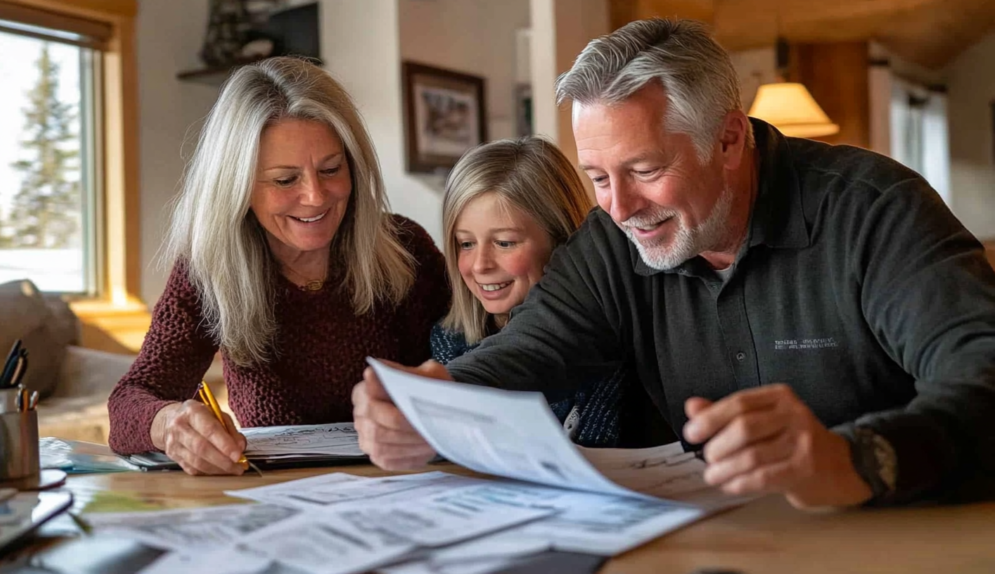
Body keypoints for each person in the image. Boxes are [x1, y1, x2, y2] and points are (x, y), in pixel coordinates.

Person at [352, 19, 995, 508]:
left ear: (730, 139)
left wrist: (856, 458)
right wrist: (437, 401)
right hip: (716, 540)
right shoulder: (612, 241)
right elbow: (534, 351)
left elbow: (982, 371)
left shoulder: (874, 211)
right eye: (598, 176)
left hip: (898, 532)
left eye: (646, 170)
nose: (621, 207)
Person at [108, 57, 450, 475]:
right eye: (285, 180)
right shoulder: (211, 268)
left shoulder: (405, 248)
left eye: (331, 169)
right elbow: (132, 399)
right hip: (277, 498)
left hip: (408, 484)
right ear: (237, 185)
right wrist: (169, 424)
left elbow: (470, 369)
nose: (315, 196)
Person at [430, 137, 675, 448]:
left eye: (505, 243)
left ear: (562, 241)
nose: (480, 265)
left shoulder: (617, 342)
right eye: (465, 243)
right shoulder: (449, 341)